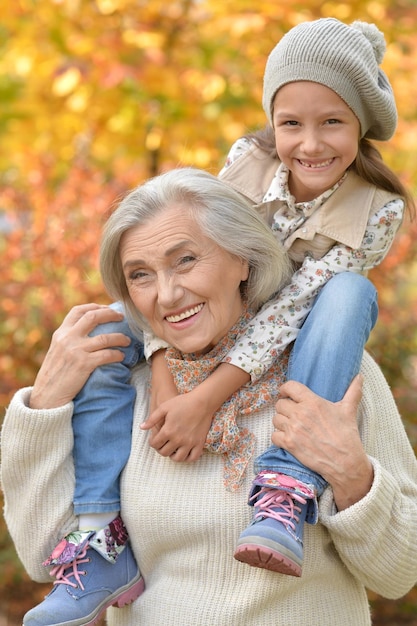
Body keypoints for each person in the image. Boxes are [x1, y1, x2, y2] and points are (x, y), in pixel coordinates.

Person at [2, 167, 417, 626]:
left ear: (243, 260)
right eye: (140, 275)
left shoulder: (332, 372)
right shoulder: (124, 389)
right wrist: (44, 402)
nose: (167, 294)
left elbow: (400, 573)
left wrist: (350, 473)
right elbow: (43, 558)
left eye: (185, 260)